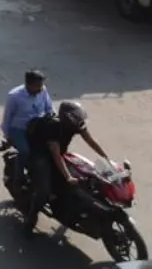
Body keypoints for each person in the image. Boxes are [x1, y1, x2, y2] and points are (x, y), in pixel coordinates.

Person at [23, 100, 109, 235]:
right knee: (43, 192)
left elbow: (90, 141)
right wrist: (68, 176)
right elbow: (55, 155)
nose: (79, 123)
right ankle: (30, 220)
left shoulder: (76, 125)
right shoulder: (54, 126)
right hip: (42, 157)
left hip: (60, 154)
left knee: (84, 178)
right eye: (76, 119)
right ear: (67, 118)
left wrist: (107, 158)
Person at [1, 69, 52, 183]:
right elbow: (7, 117)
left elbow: (48, 107)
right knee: (25, 151)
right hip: (20, 129)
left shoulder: (43, 90)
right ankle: (18, 177)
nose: (40, 88)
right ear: (28, 84)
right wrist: (7, 136)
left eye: (41, 85)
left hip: (38, 126)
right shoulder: (14, 96)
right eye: (37, 85)